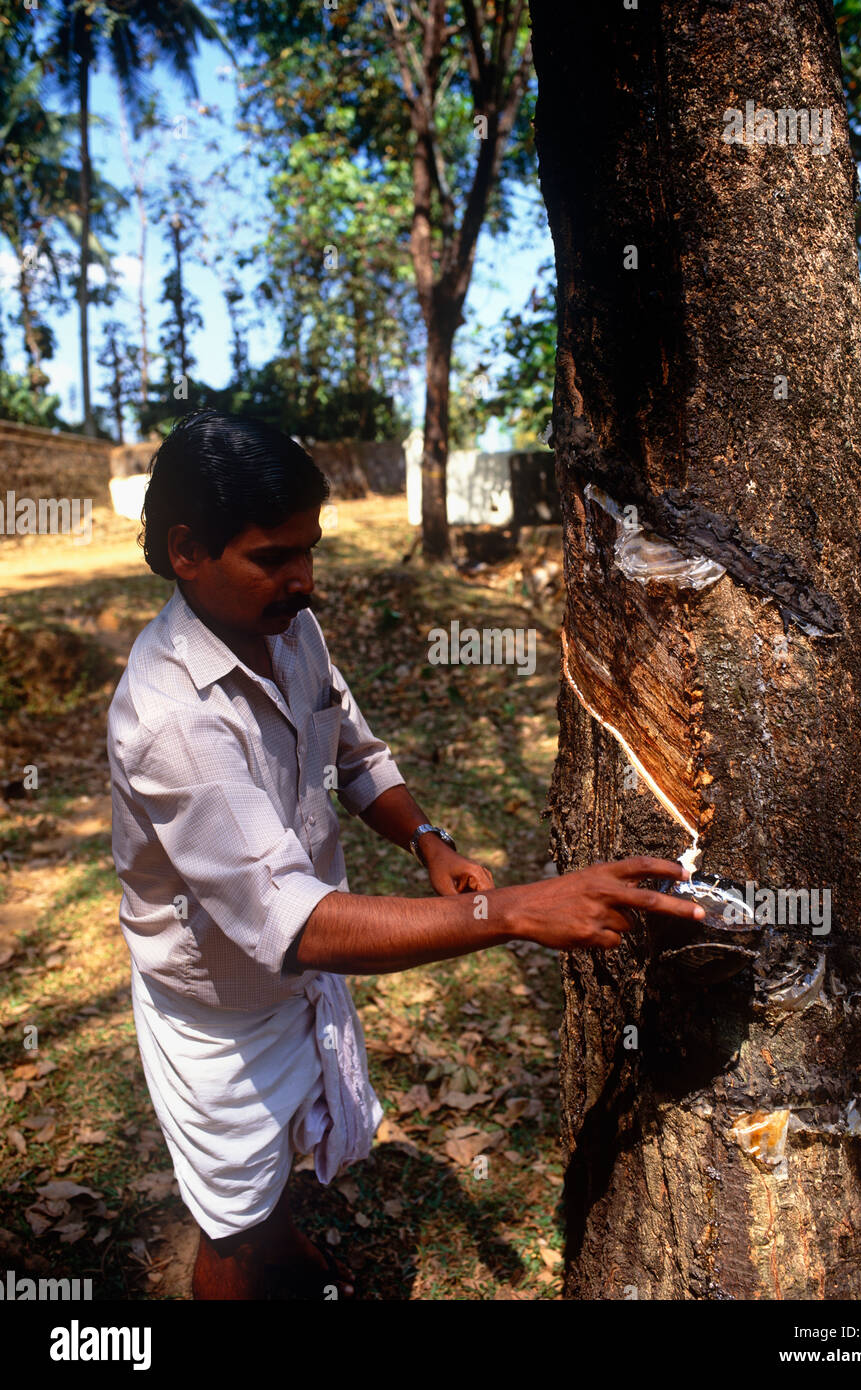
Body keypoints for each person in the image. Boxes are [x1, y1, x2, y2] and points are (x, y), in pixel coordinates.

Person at [106, 409, 704, 1300]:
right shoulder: (168, 719)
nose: (304, 579)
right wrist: (508, 912)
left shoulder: (286, 626)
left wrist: (426, 840)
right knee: (230, 1223)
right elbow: (297, 925)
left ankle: (284, 1249)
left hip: (299, 984)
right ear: (186, 550)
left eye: (309, 549)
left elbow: (353, 751)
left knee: (276, 1175)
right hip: (220, 1013)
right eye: (272, 558)